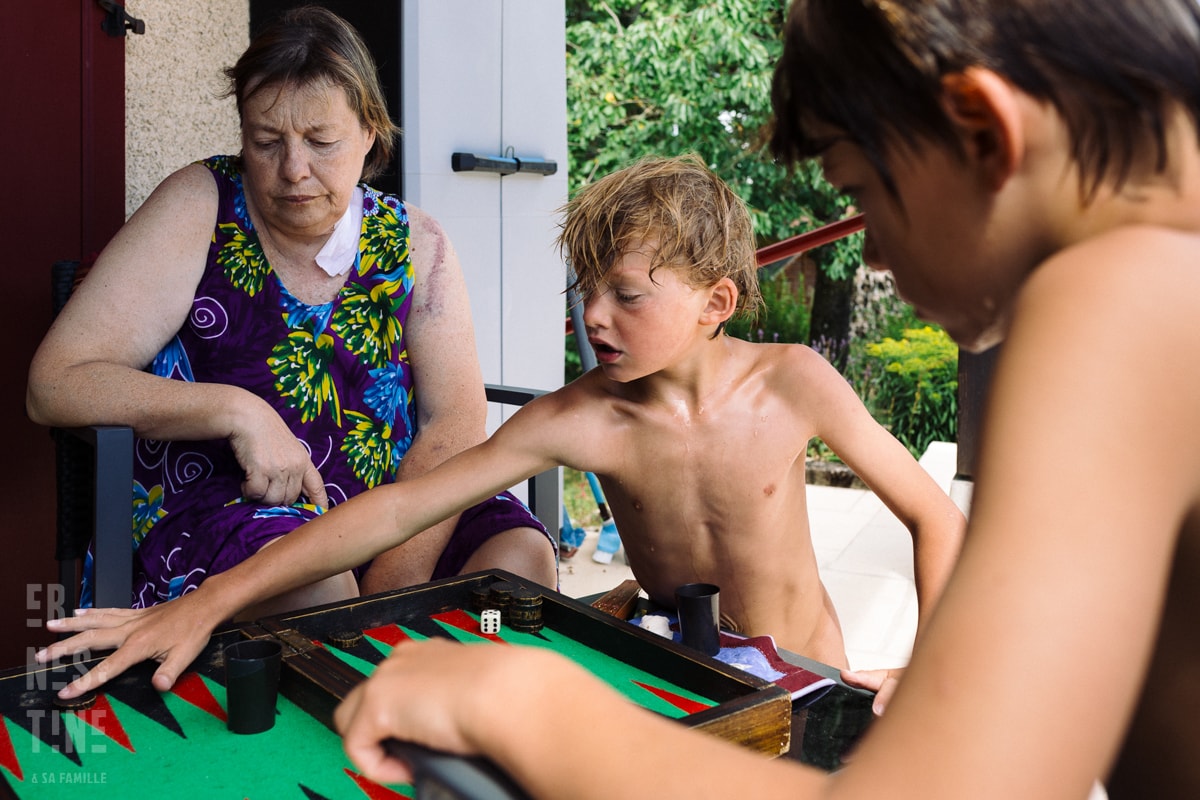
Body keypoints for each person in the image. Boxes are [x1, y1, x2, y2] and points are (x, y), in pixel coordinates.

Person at [327, 0, 1200, 797]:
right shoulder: (1162, 279)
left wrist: (527, 703)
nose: (879, 255)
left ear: (983, 130)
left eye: (859, 193)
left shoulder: (1115, 296)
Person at [37, 151, 963, 705]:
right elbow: (393, 512)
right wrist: (202, 602)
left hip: (808, 675)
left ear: (717, 300)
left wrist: (935, 668)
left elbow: (936, 516)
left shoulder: (793, 381)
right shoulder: (583, 416)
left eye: (626, 296)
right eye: (584, 293)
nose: (592, 318)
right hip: (680, 676)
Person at [25, 6, 557, 616]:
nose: (293, 169)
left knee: (519, 562)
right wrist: (235, 410)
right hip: (229, 510)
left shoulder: (416, 242)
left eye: (321, 142)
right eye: (266, 141)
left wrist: (388, 588)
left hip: (400, 509)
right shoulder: (201, 206)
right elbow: (54, 384)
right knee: (315, 585)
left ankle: (463, 707)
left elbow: (456, 423)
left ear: (369, 134)